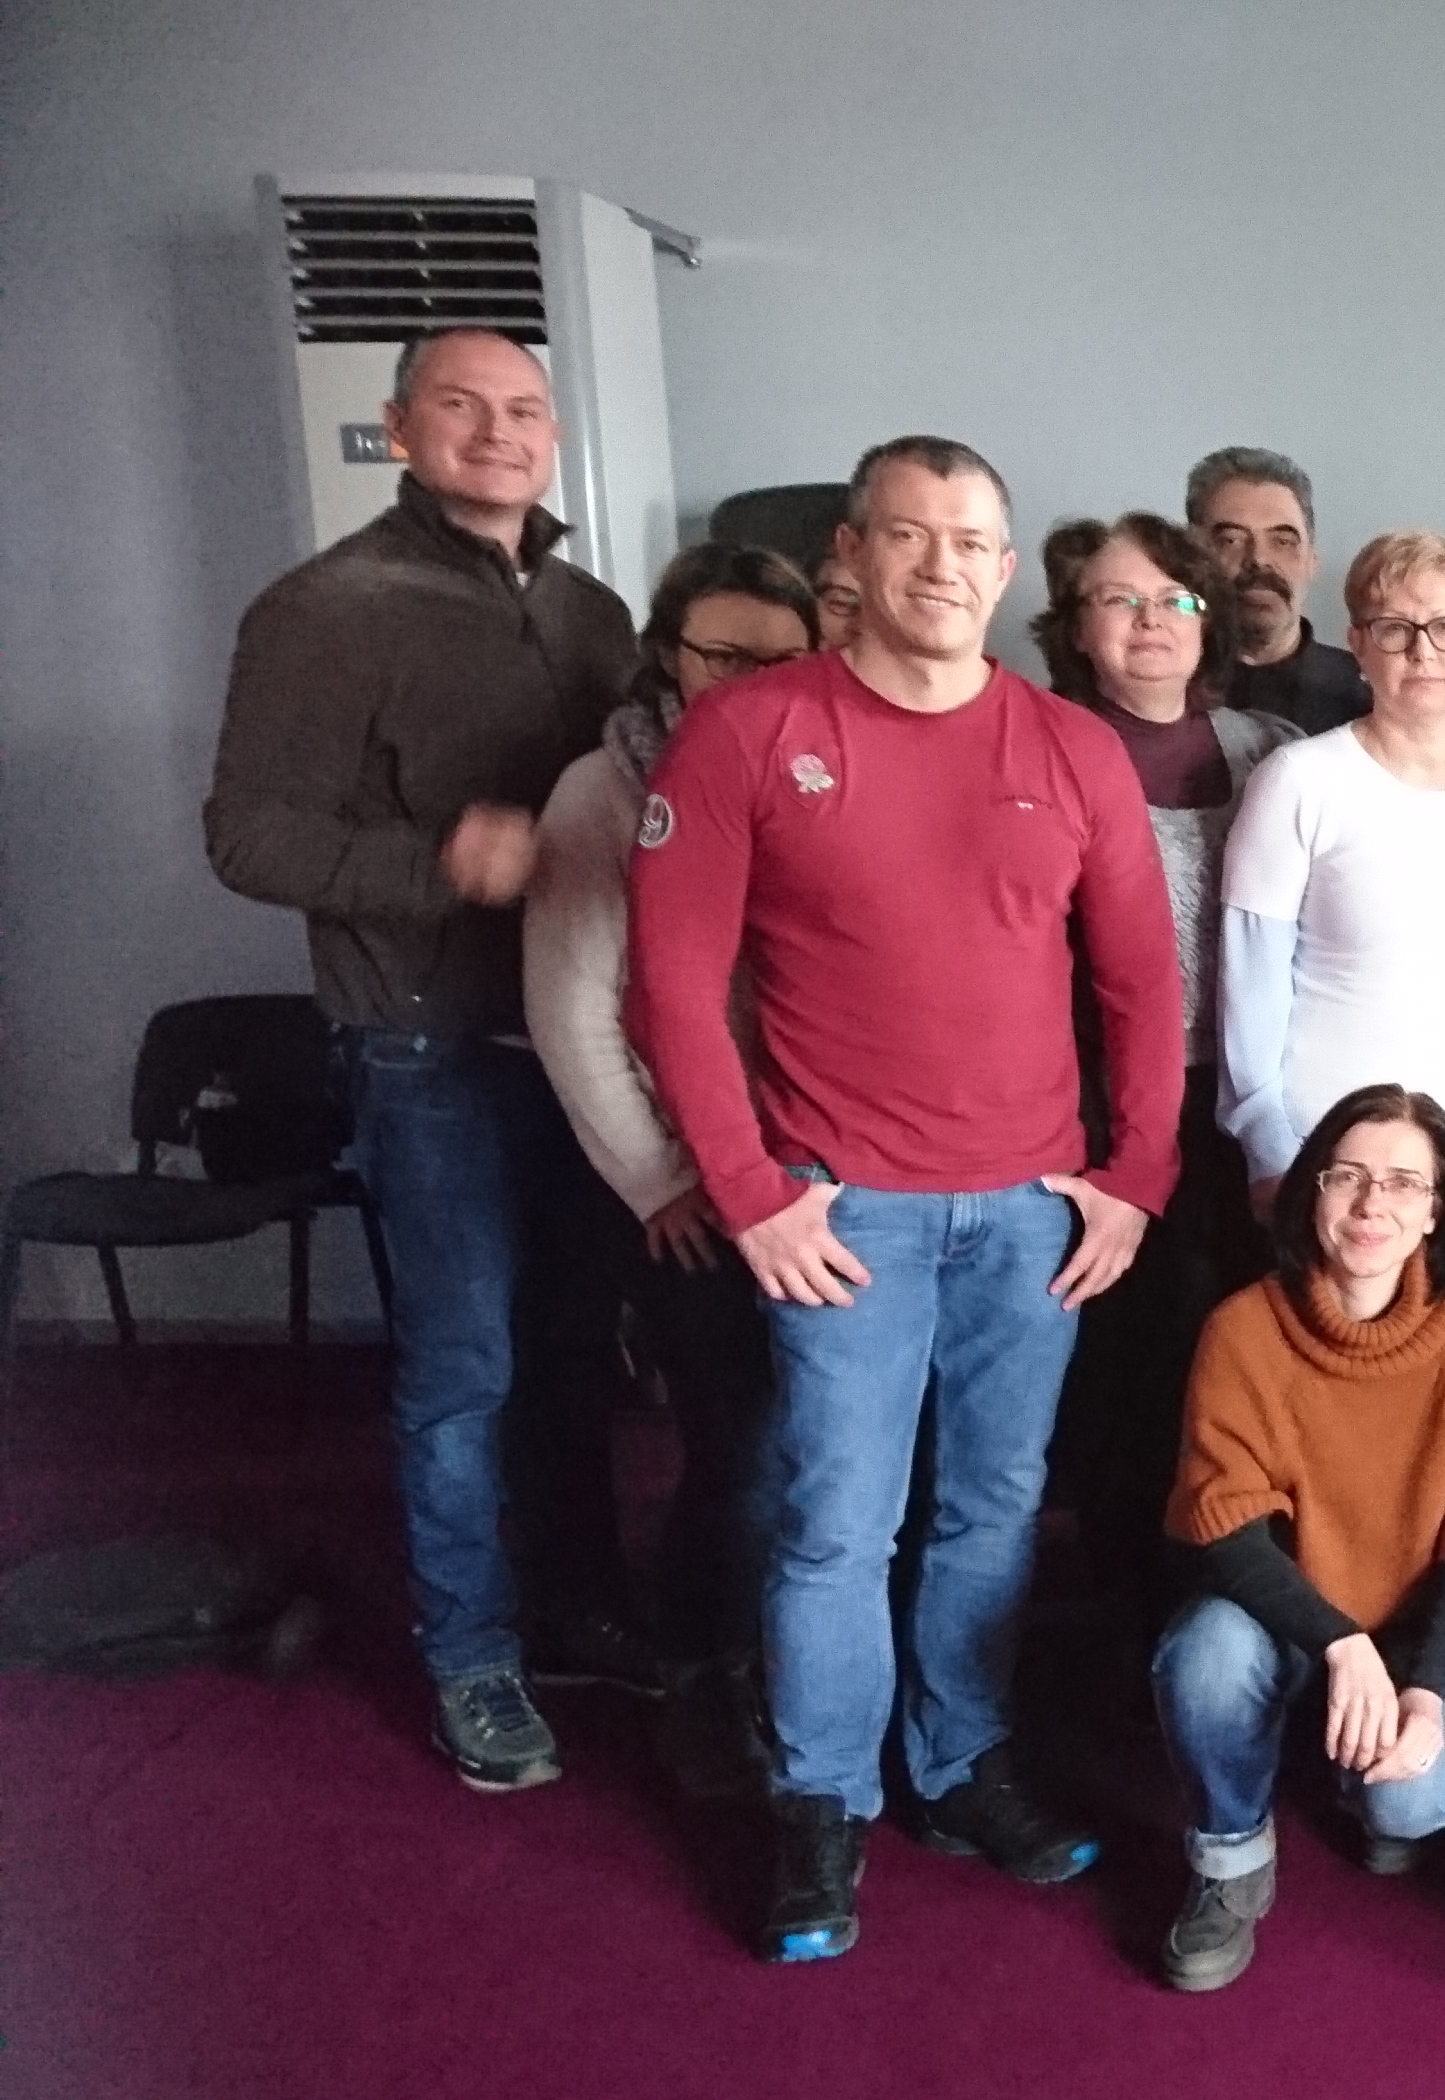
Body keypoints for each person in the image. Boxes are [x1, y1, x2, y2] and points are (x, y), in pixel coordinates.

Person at [626, 434, 1185, 1962]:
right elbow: (671, 984)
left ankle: (957, 1766)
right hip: (840, 1215)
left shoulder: (1069, 748)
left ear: (1005, 572)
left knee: (993, 1512)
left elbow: (1143, 984)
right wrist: (749, 1193)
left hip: (1032, 1214)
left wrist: (1135, 1180)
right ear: (853, 558)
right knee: (836, 1527)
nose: (942, 564)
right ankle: (820, 1804)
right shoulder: (751, 733)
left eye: (970, 540)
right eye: (910, 534)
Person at [204, 325, 644, 1792]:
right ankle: (472, 1656)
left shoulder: (591, 610)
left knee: (576, 1354)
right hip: (425, 1043)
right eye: (462, 405)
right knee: (466, 1369)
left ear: (555, 435)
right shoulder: (324, 608)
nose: (499, 431)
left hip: (582, 1040)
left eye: (525, 408)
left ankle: (578, 1608)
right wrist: (437, 866)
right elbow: (245, 835)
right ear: (400, 428)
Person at [523, 539, 817, 1788]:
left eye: (781, 659)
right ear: (666, 656)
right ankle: (707, 1675)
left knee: (822, 1445)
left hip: (816, 1170)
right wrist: (662, 1180)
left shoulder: (822, 769)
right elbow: (573, 1014)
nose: (753, 681)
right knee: (740, 1444)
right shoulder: (605, 792)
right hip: (689, 1187)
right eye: (724, 655)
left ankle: (809, 1668)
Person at [1151, 1085, 1445, 1991]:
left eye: (1403, 1183)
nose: (1371, 1204)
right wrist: (1339, 1642)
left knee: (1407, 1804)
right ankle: (1232, 1853)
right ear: (1311, 1192)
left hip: (1426, 1619)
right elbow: (1223, 1528)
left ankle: (1356, 1766)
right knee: (1201, 1658)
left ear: (1436, 1210)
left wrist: (1425, 1690)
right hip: (1295, 1616)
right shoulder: (1243, 1328)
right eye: (1347, 1176)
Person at [1027, 514, 1301, 1620]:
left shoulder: (1270, 748)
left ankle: (1244, 1589)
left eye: (1177, 600)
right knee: (1137, 1362)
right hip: (1100, 1106)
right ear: (1076, 626)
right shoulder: (1041, 747)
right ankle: (1129, 1602)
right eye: (1120, 600)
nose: (1152, 622)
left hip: (1255, 1097)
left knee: (1251, 1344)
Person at [1219, 530, 1445, 1260]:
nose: (1422, 651)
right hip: (1332, 1145)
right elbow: (1249, 983)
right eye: (1395, 629)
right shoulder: (1299, 780)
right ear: (1359, 646)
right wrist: (1266, 1142)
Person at [1187, 446, 1373, 733]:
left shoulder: (1369, 697)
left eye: (1282, 542)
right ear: (1191, 554)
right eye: (1231, 540)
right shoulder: (1159, 687)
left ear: (1312, 561)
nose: (1259, 559)